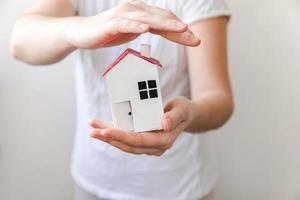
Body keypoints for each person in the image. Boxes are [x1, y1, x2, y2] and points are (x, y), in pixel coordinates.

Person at [10, 0, 233, 199]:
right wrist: (82, 27)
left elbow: (218, 99)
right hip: (93, 179)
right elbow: (20, 41)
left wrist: (190, 114)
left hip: (178, 186)